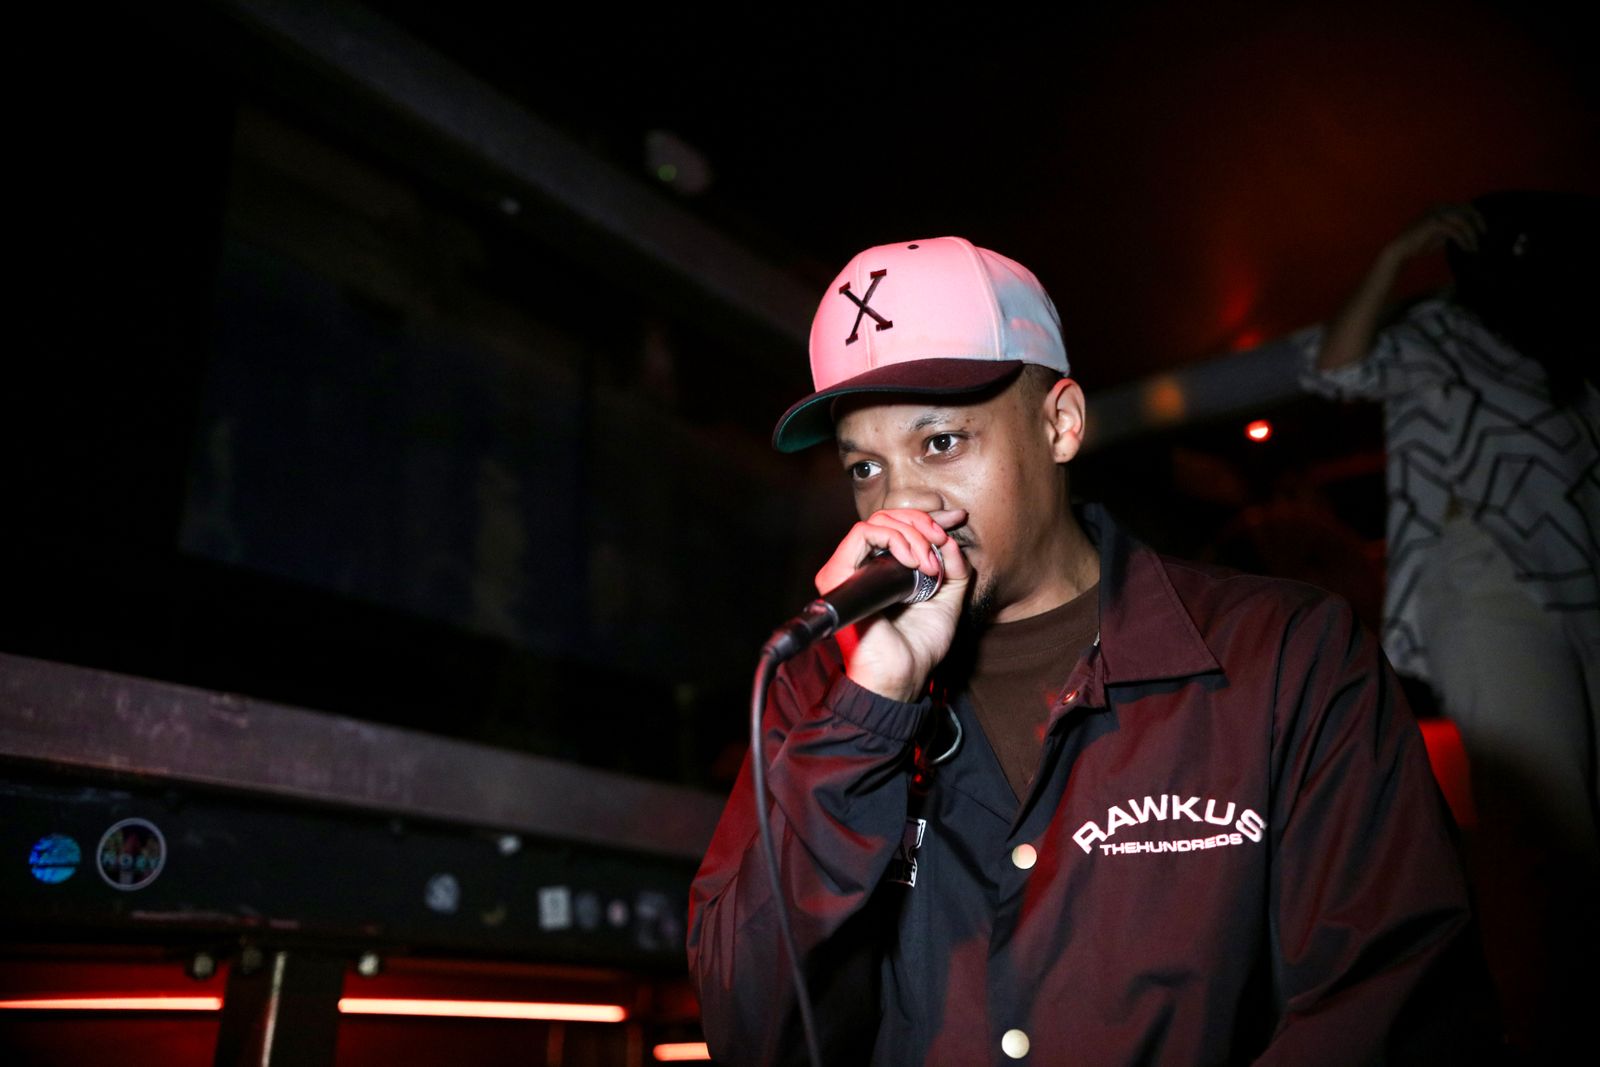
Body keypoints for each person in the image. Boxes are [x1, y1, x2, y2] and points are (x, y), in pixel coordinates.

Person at [687, 236, 1494, 1065]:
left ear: (1060, 424)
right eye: (865, 467)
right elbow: (750, 1031)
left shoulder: (1287, 655)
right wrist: (866, 719)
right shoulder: (822, 690)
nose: (903, 505)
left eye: (941, 443)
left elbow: (1394, 1006)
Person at [1299, 193, 1600, 1061]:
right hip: (1485, 570)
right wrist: (1400, 252)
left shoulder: (1568, 345)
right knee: (1544, 821)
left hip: (1581, 570)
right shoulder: (1436, 331)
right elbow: (1335, 367)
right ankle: (1543, 1022)